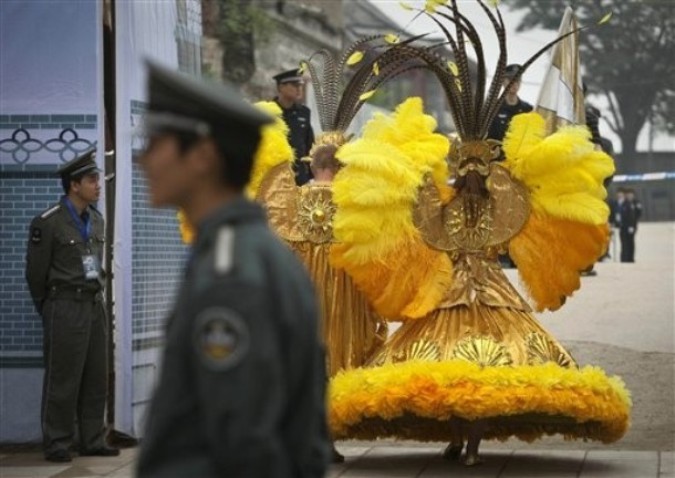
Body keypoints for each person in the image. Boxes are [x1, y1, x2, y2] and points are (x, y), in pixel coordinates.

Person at [326, 5, 630, 466]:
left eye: (476, 173)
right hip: (447, 293)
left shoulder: (503, 203)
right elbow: (425, 222)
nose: (469, 179)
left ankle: (471, 444)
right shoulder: (443, 205)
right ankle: (456, 439)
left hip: (489, 291)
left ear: (485, 174)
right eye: (463, 172)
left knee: (491, 370)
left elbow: (514, 217)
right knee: (445, 369)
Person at [135, 61, 329, 478]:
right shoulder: (248, 251)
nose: (142, 158)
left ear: (203, 156)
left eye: (155, 141)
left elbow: (245, 442)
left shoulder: (231, 272)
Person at [25, 147, 118, 462]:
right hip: (64, 305)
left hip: (94, 306)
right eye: (92, 180)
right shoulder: (48, 222)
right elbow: (35, 273)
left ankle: (92, 439)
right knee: (63, 378)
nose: (98, 184)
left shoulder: (97, 220)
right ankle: (57, 442)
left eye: (98, 179)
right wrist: (49, 307)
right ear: (74, 185)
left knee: (95, 377)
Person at [273, 68, 315, 185]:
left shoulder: (304, 112)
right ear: (281, 87)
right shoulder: (269, 111)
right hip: (274, 176)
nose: (299, 89)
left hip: (298, 177)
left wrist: (311, 175)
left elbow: (309, 144)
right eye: (294, 85)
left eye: (300, 85)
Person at [487, 63, 533, 144]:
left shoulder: (528, 109)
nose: (514, 83)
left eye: (517, 80)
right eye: (511, 79)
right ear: (502, 82)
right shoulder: (492, 108)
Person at [620, 188, 641, 262]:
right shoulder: (624, 203)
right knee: (624, 243)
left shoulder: (636, 203)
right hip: (624, 226)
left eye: (631, 195)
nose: (629, 196)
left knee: (631, 242)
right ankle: (624, 258)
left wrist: (632, 225)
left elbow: (638, 214)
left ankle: (630, 258)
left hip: (632, 226)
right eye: (628, 195)